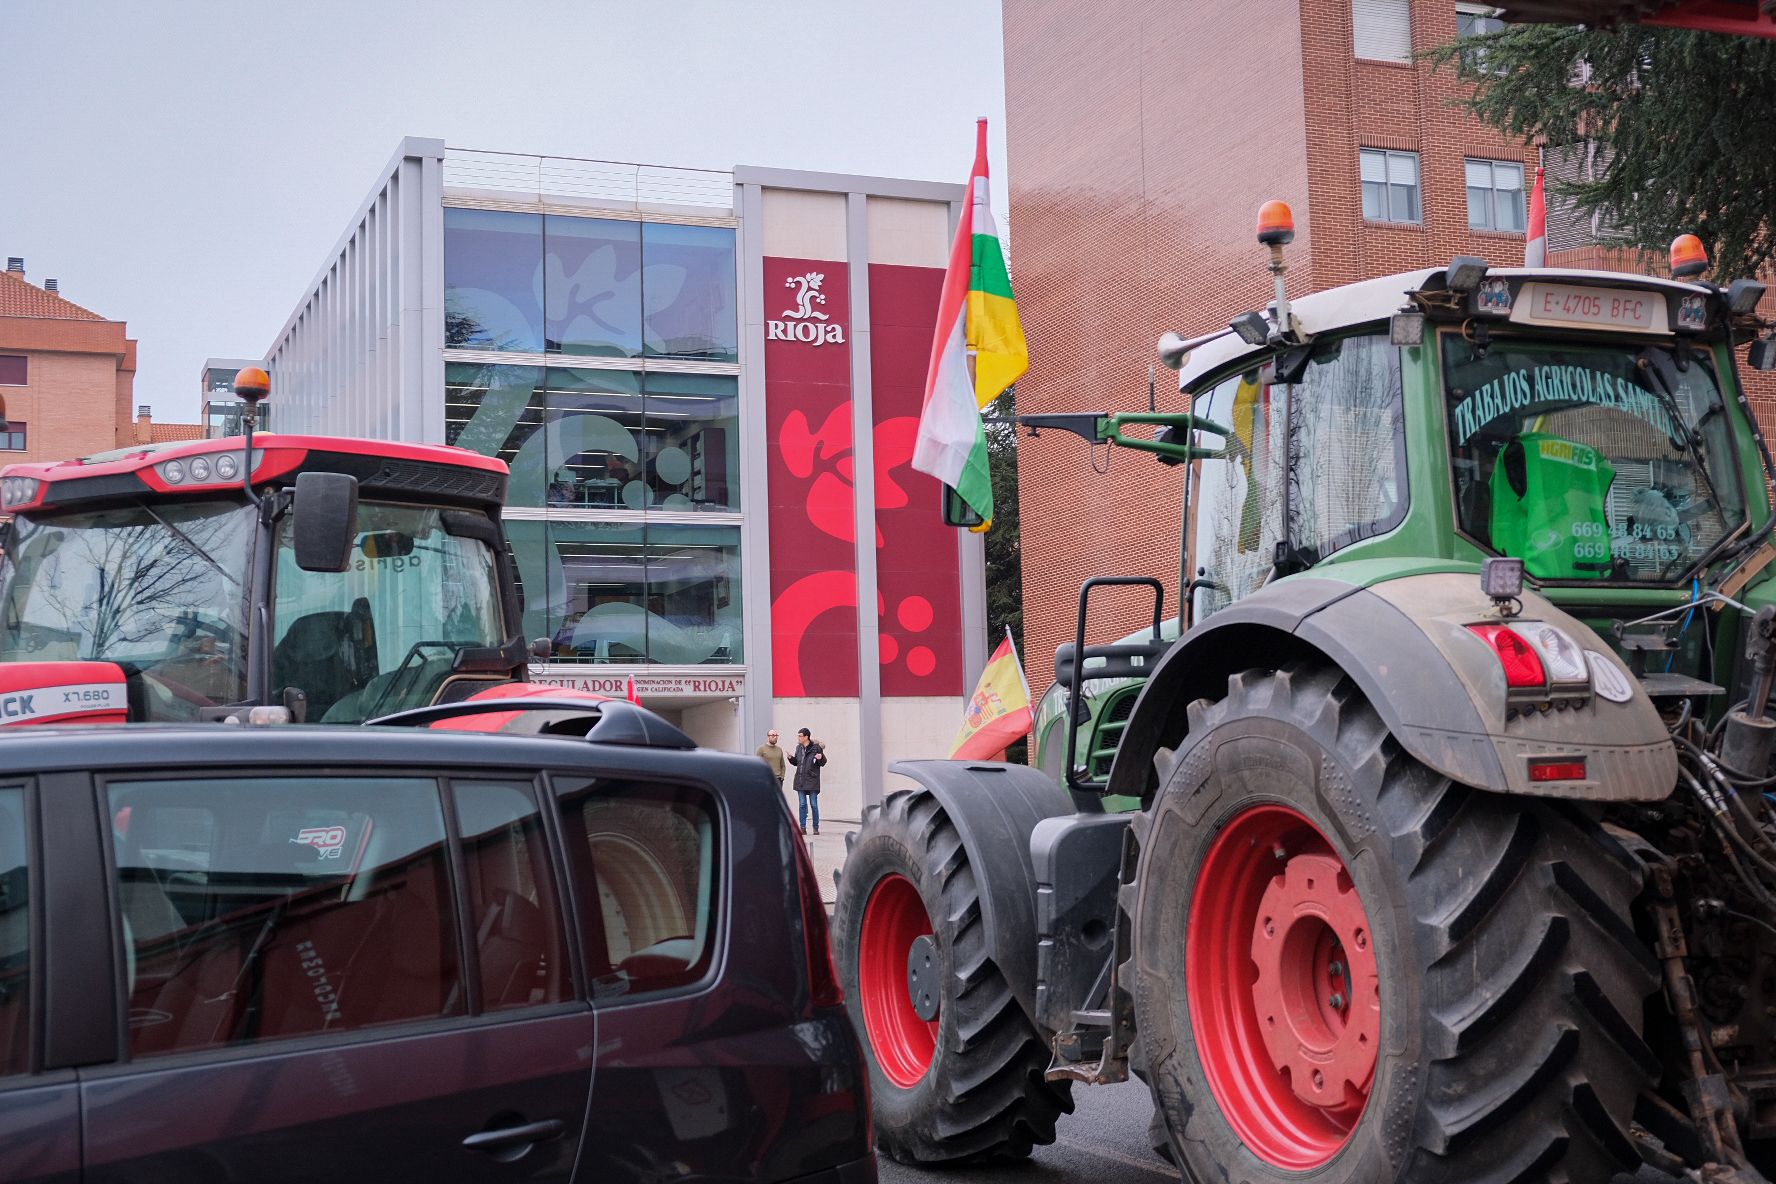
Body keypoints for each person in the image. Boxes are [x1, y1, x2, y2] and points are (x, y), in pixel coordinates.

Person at [787, 727, 826, 836]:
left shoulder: (816, 748)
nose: (798, 738)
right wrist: (791, 758)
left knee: (813, 804)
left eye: (800, 736)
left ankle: (815, 827)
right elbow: (797, 762)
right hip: (800, 780)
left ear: (806, 737)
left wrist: (820, 758)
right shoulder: (798, 748)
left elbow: (823, 762)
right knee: (802, 804)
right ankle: (802, 827)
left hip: (812, 780)